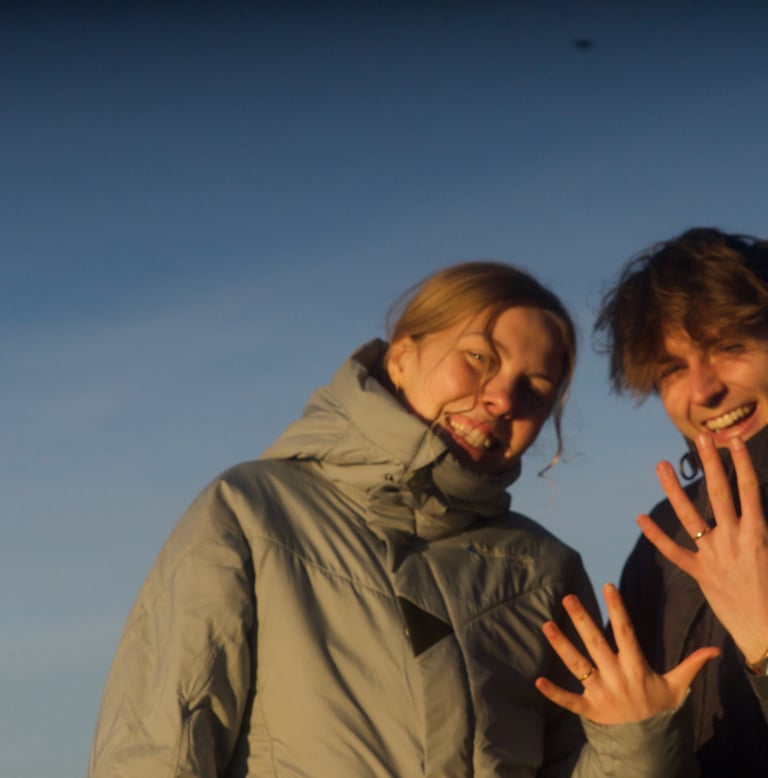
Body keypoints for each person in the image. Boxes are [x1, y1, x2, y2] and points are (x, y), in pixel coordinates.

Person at [88, 261, 710, 777]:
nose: (502, 398)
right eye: (479, 357)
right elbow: (159, 743)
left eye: (535, 390)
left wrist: (637, 740)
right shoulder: (251, 512)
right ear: (403, 356)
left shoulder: (544, 571)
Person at [594, 228, 768, 776]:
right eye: (672, 369)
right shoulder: (665, 536)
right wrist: (631, 735)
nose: (702, 390)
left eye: (729, 347)